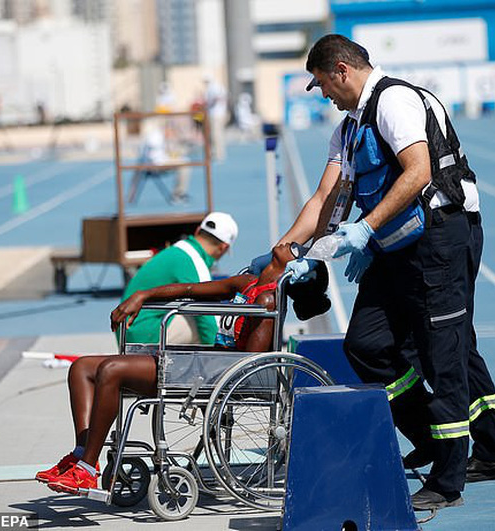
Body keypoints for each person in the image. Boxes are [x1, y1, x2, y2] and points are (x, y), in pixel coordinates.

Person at [251, 34, 495, 510]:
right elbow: (324, 199)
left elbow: (417, 173)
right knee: (368, 344)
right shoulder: (348, 129)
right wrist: (289, 249)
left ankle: (448, 479)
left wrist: (363, 230)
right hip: (392, 243)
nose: (324, 96)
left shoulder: (395, 101)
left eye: (323, 84)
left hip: (440, 237)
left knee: (443, 351)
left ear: (341, 69)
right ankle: (485, 450)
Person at [36, 242, 328, 494]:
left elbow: (247, 361)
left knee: (111, 369)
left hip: (219, 371)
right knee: (82, 368)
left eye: (295, 249)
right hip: (208, 360)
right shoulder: (247, 283)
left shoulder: (267, 299)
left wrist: (202, 362)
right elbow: (190, 289)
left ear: (298, 270)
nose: (287, 243)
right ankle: (82, 455)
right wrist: (143, 295)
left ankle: (87, 468)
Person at [120, 212, 238, 345]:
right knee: (214, 325)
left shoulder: (177, 250)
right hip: (143, 333)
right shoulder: (194, 261)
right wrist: (221, 355)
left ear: (198, 230)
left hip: (129, 328)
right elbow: (207, 317)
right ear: (224, 247)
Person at [128, 119, 191, 204]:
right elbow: (154, 157)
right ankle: (178, 194)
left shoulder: (159, 136)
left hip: (155, 163)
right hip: (155, 165)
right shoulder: (155, 137)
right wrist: (169, 158)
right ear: (168, 128)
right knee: (185, 163)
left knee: (184, 161)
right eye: (172, 130)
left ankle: (179, 193)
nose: (172, 134)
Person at [203, 73, 227, 160]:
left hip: (215, 114)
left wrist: (208, 105)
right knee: (215, 134)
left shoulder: (214, 87)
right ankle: (216, 152)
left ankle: (219, 154)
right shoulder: (217, 86)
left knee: (216, 134)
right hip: (217, 113)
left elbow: (217, 98)